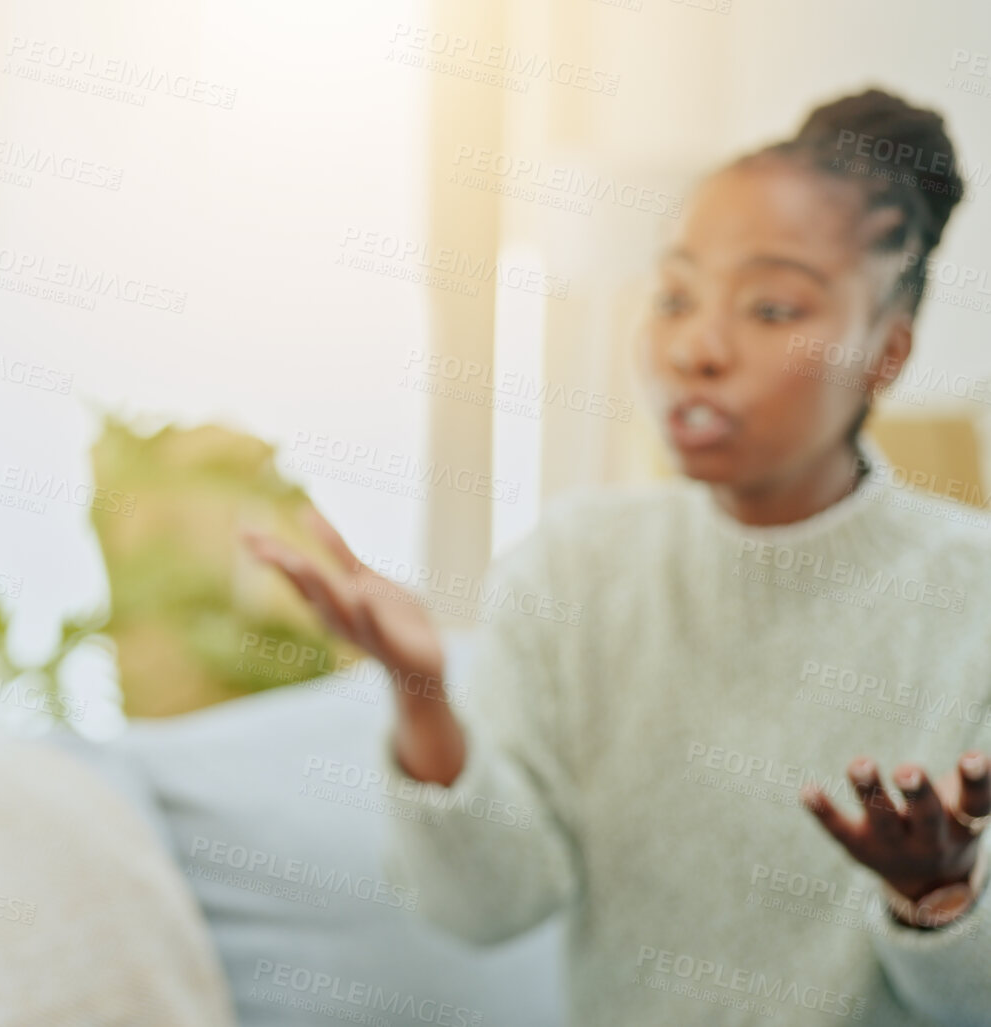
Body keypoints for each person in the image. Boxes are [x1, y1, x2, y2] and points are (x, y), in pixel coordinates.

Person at [247, 89, 991, 1025]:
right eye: (675, 296)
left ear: (885, 352)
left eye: (768, 307)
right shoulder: (575, 566)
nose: (696, 347)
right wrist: (424, 701)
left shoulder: (973, 601)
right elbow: (487, 907)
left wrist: (937, 901)